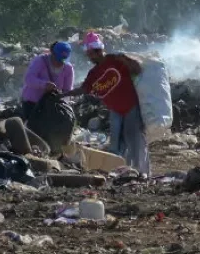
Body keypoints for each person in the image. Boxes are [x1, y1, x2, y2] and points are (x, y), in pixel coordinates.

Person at [63, 32, 150, 175]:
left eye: (93, 53)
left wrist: (126, 59)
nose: (91, 57)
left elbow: (137, 69)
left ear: (100, 50)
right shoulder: (94, 73)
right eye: (89, 54)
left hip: (131, 106)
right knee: (116, 144)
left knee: (135, 140)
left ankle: (142, 173)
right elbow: (84, 89)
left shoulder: (116, 60)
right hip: (115, 110)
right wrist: (64, 94)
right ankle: (123, 171)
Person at [21, 41, 74, 119]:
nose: (61, 63)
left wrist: (62, 97)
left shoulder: (68, 68)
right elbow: (28, 79)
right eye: (59, 59)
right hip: (32, 103)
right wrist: (44, 85)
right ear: (52, 54)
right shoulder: (40, 61)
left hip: (51, 105)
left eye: (63, 60)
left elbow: (67, 90)